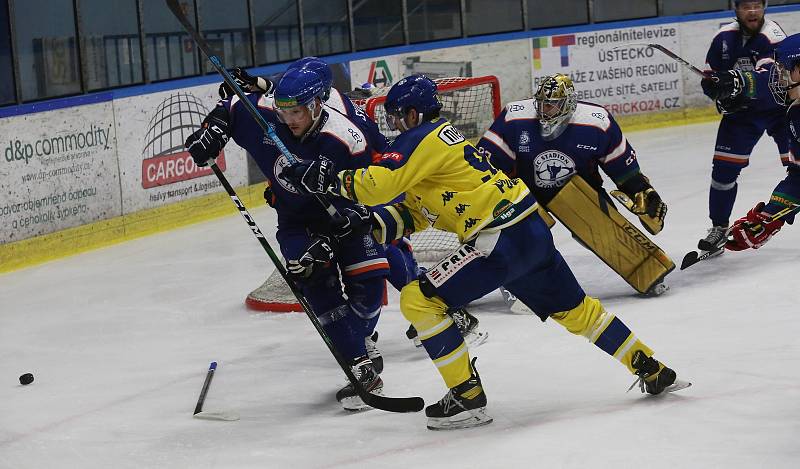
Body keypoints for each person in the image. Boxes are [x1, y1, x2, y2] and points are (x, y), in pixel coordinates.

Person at [282, 75, 688, 430]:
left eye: (396, 114)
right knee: (578, 311)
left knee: (419, 301)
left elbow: (378, 186)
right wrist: (369, 225)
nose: (392, 123)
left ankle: (466, 396)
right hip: (529, 230)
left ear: (413, 114)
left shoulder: (420, 138)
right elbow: (417, 211)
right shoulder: (441, 144)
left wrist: (329, 179)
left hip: (498, 240)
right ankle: (648, 365)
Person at [224, 60, 486, 348]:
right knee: (383, 248)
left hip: (380, 182)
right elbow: (287, 96)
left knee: (387, 248)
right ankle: (418, 319)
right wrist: (258, 85)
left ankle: (445, 314)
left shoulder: (337, 118)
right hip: (365, 181)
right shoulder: (321, 101)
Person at [186, 67, 390, 411]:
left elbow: (384, 179)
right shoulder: (264, 115)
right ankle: (361, 368)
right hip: (296, 224)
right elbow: (232, 105)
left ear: (317, 104)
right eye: (284, 111)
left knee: (370, 287)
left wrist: (366, 215)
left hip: (345, 218)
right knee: (313, 278)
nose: (289, 119)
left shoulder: (347, 138)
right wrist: (211, 130)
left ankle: (360, 337)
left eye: (296, 111)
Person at [477, 73, 671, 296]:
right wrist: (514, 198)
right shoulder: (515, 118)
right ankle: (471, 283)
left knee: (603, 232)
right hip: (525, 190)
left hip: (579, 190)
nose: (544, 111)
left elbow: (625, 171)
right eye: (541, 104)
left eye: (552, 105)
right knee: (525, 233)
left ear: (569, 103)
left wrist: (644, 193)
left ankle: (650, 271)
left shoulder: (597, 122)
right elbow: (487, 167)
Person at [697, 0, 788, 253]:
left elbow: (773, 78)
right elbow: (710, 79)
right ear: (736, 9)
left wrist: (736, 82)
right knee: (723, 174)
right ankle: (718, 229)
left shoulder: (773, 35)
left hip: (780, 111)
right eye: (746, 6)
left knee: (798, 168)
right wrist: (719, 94)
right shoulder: (723, 38)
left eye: (757, 5)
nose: (752, 11)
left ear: (764, 7)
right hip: (743, 116)